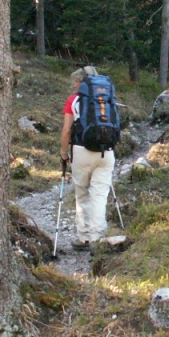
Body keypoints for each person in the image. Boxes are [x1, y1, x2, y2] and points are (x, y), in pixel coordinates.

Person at [60, 66, 116, 250]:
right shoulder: (106, 98)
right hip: (106, 151)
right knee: (99, 196)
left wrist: (63, 153)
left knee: (82, 194)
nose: (74, 85)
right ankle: (97, 239)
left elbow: (67, 130)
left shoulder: (73, 100)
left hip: (81, 151)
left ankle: (84, 237)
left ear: (82, 82)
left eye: (76, 81)